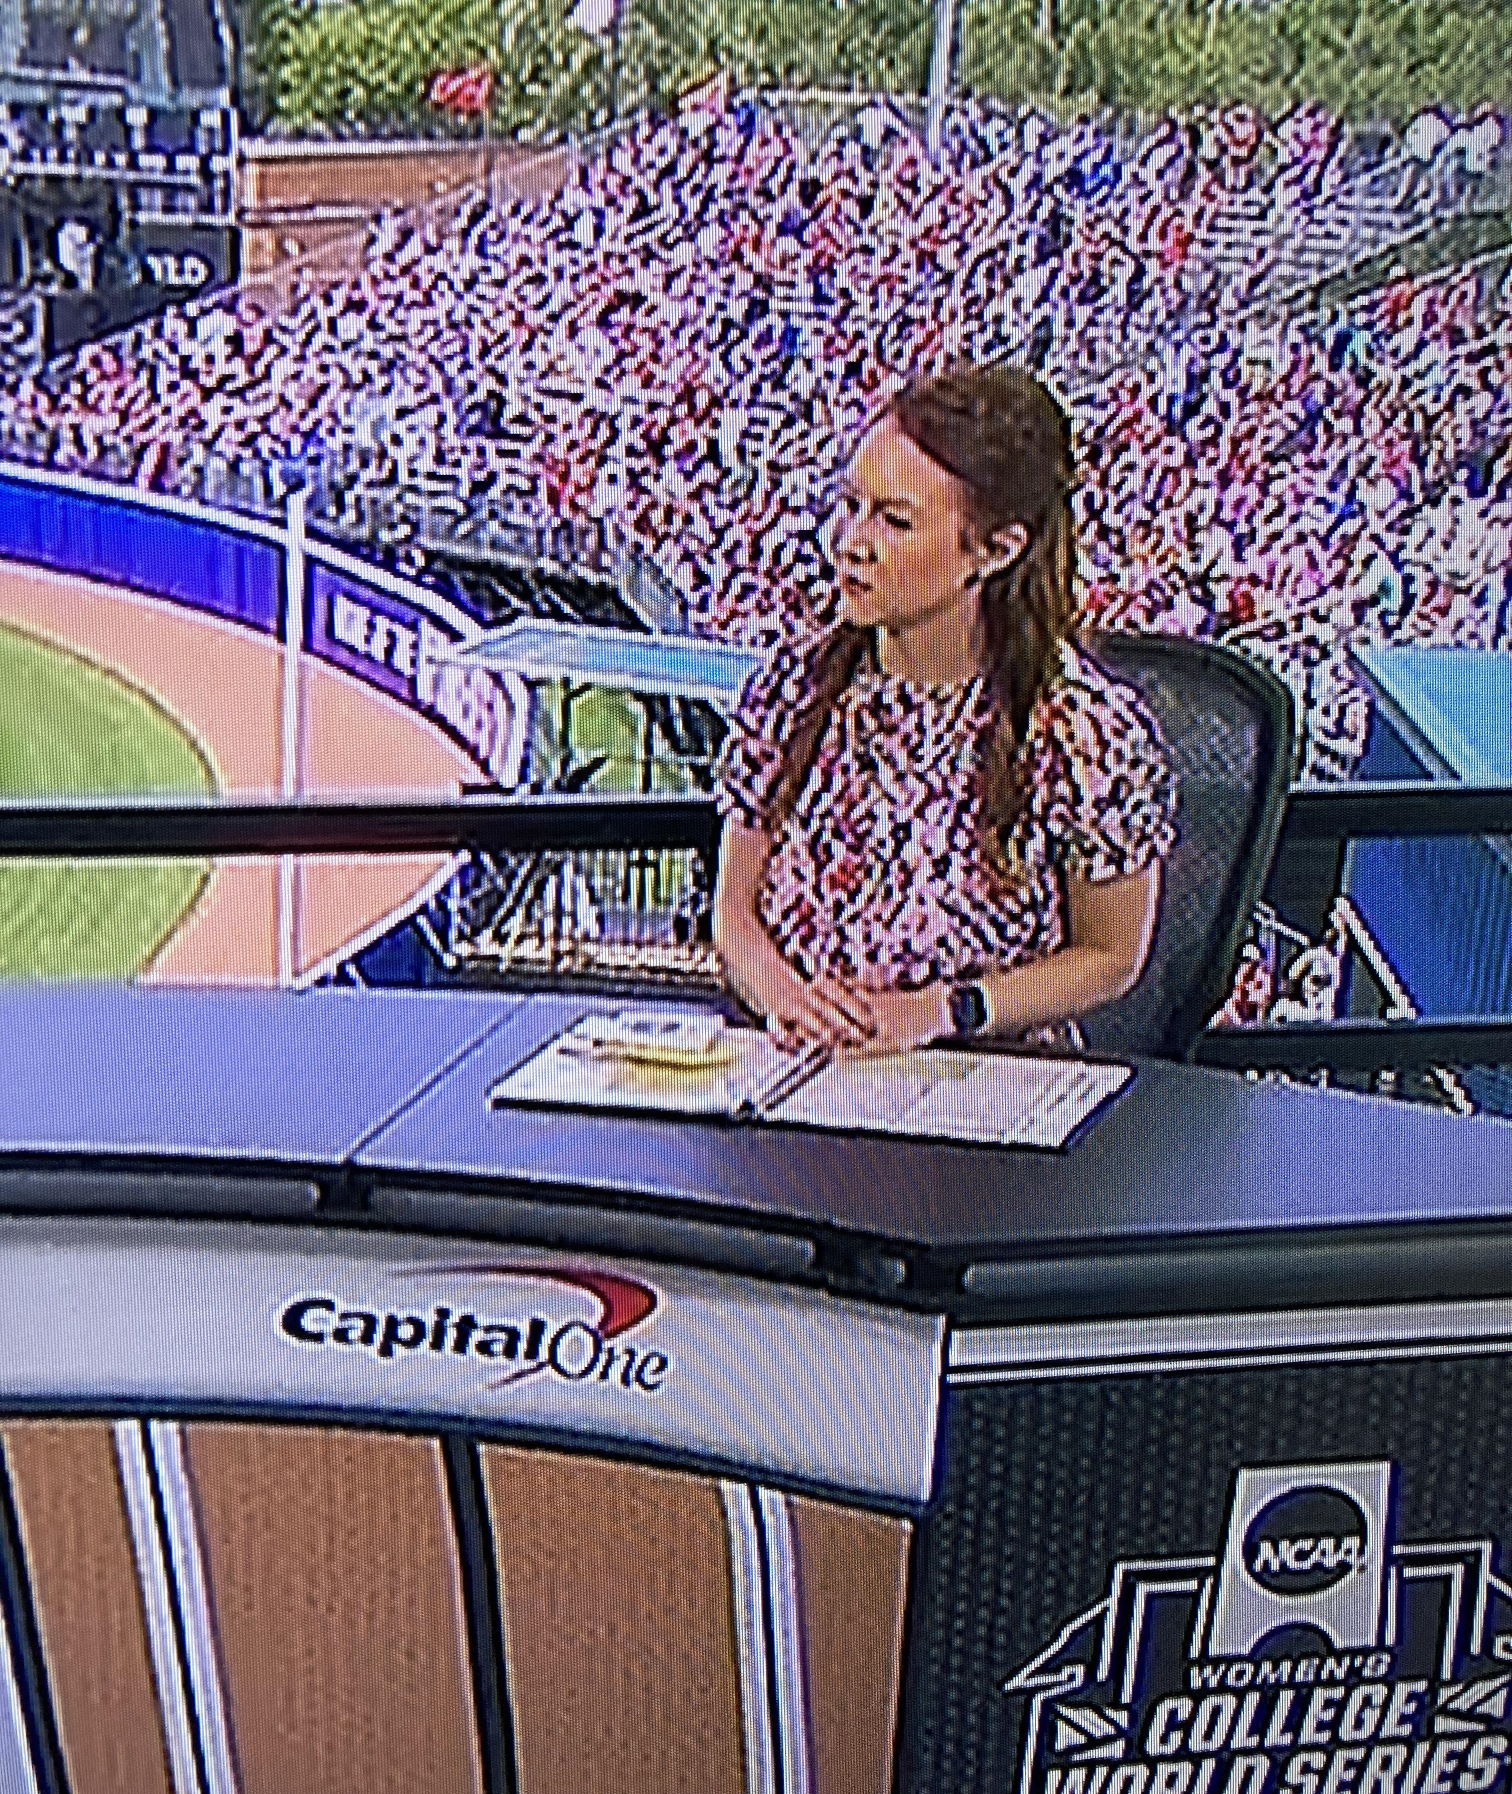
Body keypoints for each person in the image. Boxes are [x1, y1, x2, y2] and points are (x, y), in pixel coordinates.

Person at [712, 360, 1180, 1057]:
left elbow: (1111, 956)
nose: (852, 544)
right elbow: (734, 915)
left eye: (895, 521)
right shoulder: (795, 685)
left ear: (995, 550)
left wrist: (942, 1011)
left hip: (983, 1078)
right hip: (792, 1062)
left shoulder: (1086, 734)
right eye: (850, 506)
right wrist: (789, 1002)